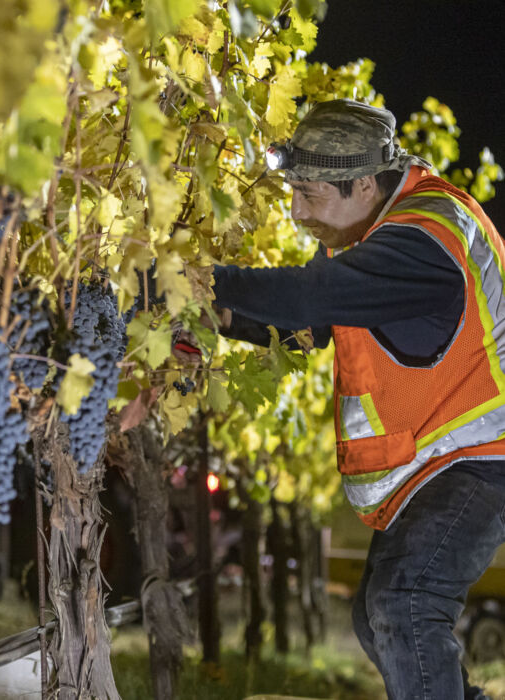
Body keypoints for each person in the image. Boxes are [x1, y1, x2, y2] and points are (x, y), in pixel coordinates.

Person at [210, 99, 505, 700]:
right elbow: (313, 328)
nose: (295, 213)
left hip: (484, 455)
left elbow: (311, 298)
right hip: (447, 456)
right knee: (378, 618)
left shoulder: (427, 239)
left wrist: (193, 280)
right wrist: (218, 314)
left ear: (365, 183)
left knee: (404, 602)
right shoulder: (380, 231)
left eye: (310, 195)